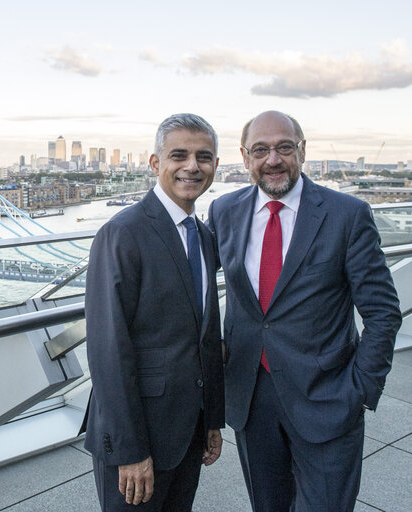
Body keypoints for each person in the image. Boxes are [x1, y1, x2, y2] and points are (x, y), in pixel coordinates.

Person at [207, 110, 401, 511]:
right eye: (260, 150)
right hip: (251, 397)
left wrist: (359, 390)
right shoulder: (224, 211)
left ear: (302, 151)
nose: (272, 159)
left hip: (328, 397)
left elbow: (382, 311)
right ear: (245, 158)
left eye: (284, 147)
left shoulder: (347, 215)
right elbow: (188, 277)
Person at [84, 113, 224, 511]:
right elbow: (108, 349)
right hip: (138, 437)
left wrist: (212, 418)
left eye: (204, 156)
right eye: (179, 155)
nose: (192, 166)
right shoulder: (122, 233)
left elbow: (204, 336)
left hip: (188, 429)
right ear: (154, 163)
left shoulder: (203, 235)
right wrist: (129, 450)